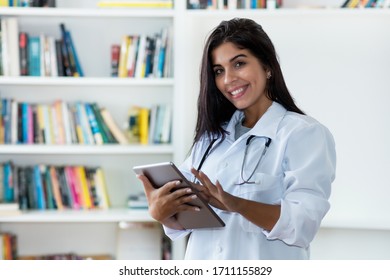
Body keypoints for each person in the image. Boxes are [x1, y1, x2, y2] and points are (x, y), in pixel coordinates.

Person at [137, 18, 336, 259]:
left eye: (239, 63)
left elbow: (303, 224)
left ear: (267, 66)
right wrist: (162, 212)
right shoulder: (210, 138)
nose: (228, 79)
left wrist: (236, 204)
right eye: (219, 71)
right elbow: (186, 218)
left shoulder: (303, 133)